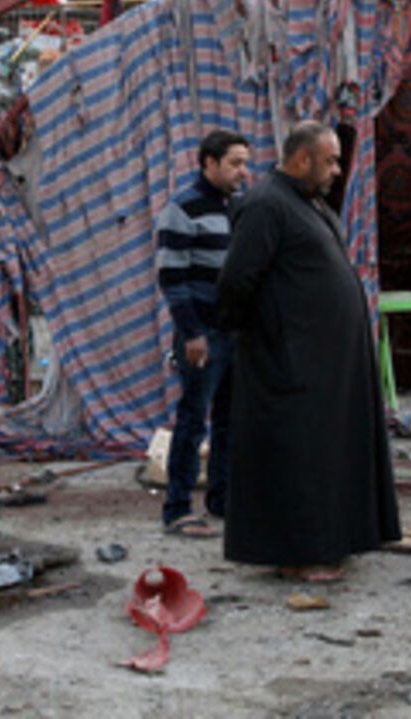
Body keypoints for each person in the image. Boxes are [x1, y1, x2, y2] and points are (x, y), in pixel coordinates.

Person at [217, 121, 400, 581]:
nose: (337, 170)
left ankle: (334, 542)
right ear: (301, 160)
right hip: (293, 363)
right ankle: (301, 555)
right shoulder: (265, 206)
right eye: (330, 160)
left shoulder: (304, 203)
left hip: (325, 364)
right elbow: (236, 282)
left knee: (329, 454)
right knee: (302, 458)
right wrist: (275, 339)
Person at [156, 129, 251, 536]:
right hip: (202, 334)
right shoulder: (182, 209)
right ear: (208, 163)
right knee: (193, 419)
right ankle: (177, 508)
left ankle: (222, 498)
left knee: (230, 419)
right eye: (234, 163)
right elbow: (171, 278)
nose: (242, 172)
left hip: (233, 332)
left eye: (245, 163)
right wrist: (191, 333)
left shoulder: (239, 208)